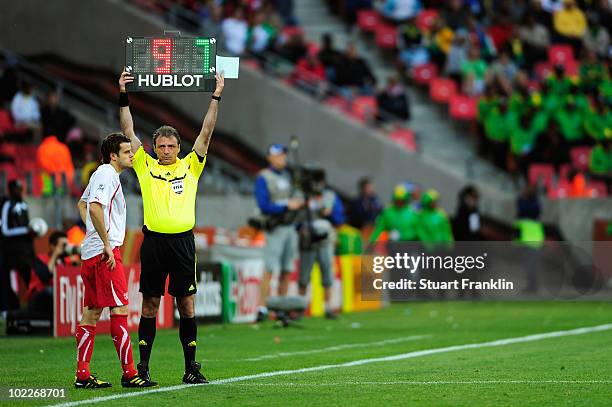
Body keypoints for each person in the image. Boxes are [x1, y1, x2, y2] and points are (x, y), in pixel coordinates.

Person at [118, 69, 224, 384]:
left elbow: (206, 131)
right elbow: (127, 128)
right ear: (154, 148)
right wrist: (123, 94)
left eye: (170, 147)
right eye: (161, 146)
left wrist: (216, 95)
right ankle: (143, 368)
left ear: (178, 148)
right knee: (150, 304)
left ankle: (191, 368)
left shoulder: (191, 165)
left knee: (186, 303)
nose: (165, 151)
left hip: (182, 243)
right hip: (153, 243)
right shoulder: (144, 165)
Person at [73, 133, 154, 388]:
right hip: (105, 254)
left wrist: (93, 234)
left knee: (92, 312)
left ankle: (83, 375)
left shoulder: (102, 174)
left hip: (92, 253)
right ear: (113, 155)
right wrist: (106, 243)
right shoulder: (107, 174)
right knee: (119, 309)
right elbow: (93, 207)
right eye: (127, 151)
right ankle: (129, 373)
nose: (131, 155)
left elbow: (82, 205)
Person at [254, 144, 304, 322]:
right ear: (270, 158)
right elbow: (263, 205)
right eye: (279, 155)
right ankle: (262, 307)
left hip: (290, 226)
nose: (283, 158)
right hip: (275, 227)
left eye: (284, 155)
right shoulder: (264, 177)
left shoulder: (288, 177)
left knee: (286, 269)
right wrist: (285, 205)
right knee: (269, 268)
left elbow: (297, 199)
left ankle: (281, 308)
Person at [297, 171, 344, 319]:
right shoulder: (301, 195)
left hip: (324, 239)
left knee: (327, 272)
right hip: (307, 239)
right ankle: (300, 307)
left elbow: (330, 213)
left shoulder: (328, 195)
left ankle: (328, 307)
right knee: (304, 275)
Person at [0, 179, 35, 312]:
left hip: (25, 251)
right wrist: (26, 230)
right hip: (11, 251)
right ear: (11, 190)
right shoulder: (7, 204)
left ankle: (34, 306)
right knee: (7, 281)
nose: (19, 191)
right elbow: (5, 230)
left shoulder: (24, 204)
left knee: (30, 280)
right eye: (17, 188)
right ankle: (7, 309)